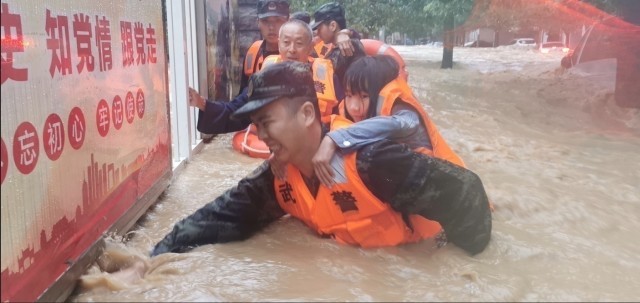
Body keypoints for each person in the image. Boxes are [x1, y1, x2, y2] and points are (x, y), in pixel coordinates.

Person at [151, 61, 492, 257]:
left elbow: (467, 193)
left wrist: (460, 270)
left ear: (306, 113)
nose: (261, 135)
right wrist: (154, 258)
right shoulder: (279, 177)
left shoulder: (373, 163)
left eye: (267, 123)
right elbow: (221, 217)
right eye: (255, 126)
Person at [312, 55, 467, 188]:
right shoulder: (347, 109)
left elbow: (398, 124)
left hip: (451, 188)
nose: (353, 107)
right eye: (349, 95)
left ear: (379, 93)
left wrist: (334, 139)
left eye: (364, 96)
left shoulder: (403, 112)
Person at [310, 2, 365, 82]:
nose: (318, 33)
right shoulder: (338, 46)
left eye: (319, 28)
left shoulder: (346, 47)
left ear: (333, 26)